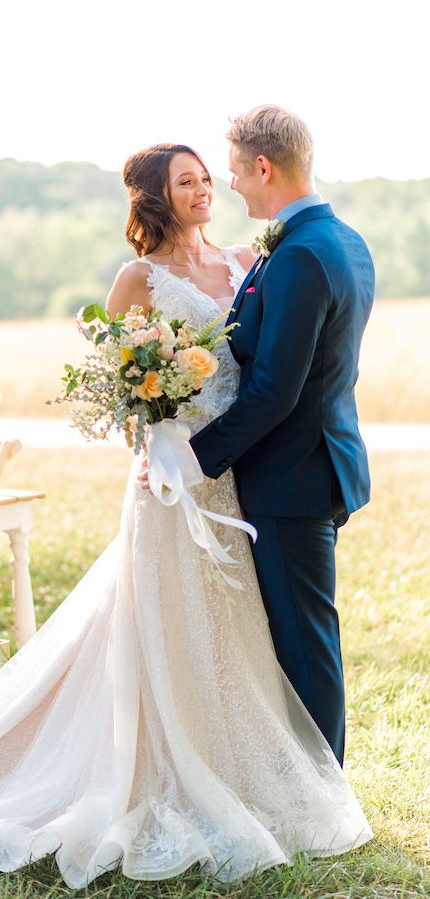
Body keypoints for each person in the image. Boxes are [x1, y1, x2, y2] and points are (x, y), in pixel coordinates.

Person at [0, 142, 372, 889]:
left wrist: (203, 452)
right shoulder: (137, 278)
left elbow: (268, 364)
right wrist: (158, 437)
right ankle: (149, 765)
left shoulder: (251, 260)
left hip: (224, 482)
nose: (205, 188)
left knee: (234, 632)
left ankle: (239, 770)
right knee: (165, 624)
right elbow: (115, 384)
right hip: (170, 479)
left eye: (209, 177)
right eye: (188, 181)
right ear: (157, 195)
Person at [189, 106, 375, 766]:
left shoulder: (300, 254)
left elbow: (276, 390)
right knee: (299, 632)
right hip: (317, 463)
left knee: (303, 641)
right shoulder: (344, 239)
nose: (231, 185)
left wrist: (194, 458)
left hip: (292, 474)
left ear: (263, 167)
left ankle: (324, 795)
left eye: (235, 172)